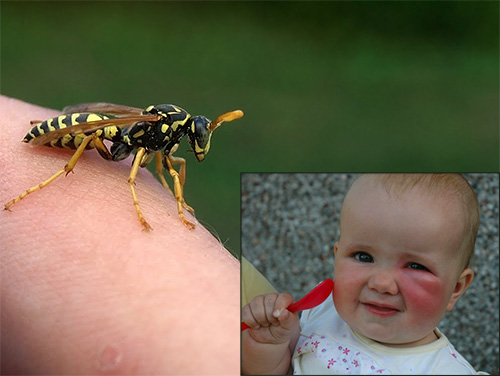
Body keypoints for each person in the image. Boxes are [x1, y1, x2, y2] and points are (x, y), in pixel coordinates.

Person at [0, 95, 239, 374]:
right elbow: (134, 154)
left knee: (176, 166)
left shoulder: (164, 136)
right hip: (85, 132)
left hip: (99, 128)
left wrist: (173, 190)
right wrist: (136, 198)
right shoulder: (156, 128)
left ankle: (178, 202)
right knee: (94, 135)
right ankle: (48, 181)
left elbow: (163, 160)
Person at [242, 173, 487, 375]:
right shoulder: (322, 312)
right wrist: (268, 343)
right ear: (337, 256)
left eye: (415, 266)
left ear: (456, 288)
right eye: (363, 257)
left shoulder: (446, 371)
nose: (382, 283)